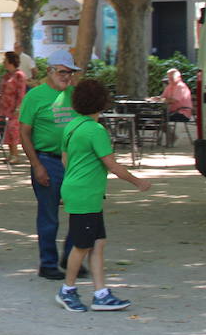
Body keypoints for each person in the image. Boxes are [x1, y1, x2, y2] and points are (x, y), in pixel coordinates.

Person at [57, 79, 151, 312]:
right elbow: (112, 165)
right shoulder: (96, 130)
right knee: (81, 245)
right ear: (101, 103)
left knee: (98, 243)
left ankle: (100, 293)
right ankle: (67, 290)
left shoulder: (72, 125)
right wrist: (137, 182)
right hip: (85, 194)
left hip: (79, 190)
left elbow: (65, 159)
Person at [19, 49, 79, 280]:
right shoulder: (35, 97)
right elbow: (24, 133)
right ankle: (48, 263)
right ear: (50, 71)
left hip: (73, 162)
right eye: (63, 72)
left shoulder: (74, 95)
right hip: (47, 159)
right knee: (49, 215)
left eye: (71, 73)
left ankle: (72, 257)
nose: (67, 77)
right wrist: (37, 165)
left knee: (79, 211)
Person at [0, 51, 27, 164]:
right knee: (7, 131)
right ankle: (10, 154)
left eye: (5, 60)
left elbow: (21, 93)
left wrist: (18, 108)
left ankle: (16, 155)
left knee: (13, 129)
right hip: (5, 107)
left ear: (11, 61)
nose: (3, 62)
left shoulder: (19, 75)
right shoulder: (6, 75)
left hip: (14, 108)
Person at [156, 68, 193, 145]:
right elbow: (163, 97)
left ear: (178, 77)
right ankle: (168, 137)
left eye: (171, 78)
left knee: (161, 118)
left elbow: (174, 100)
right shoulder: (170, 86)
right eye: (168, 78)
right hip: (172, 111)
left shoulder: (180, 86)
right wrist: (155, 98)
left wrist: (161, 100)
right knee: (156, 117)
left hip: (182, 113)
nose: (170, 80)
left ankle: (172, 137)